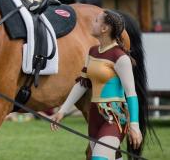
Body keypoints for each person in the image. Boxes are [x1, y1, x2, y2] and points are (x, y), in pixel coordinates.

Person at [50, 10, 143, 160]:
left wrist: (135, 125)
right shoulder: (92, 51)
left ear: (104, 29)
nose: (91, 24)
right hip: (94, 117)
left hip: (114, 118)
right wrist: (63, 110)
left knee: (98, 158)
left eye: (96, 21)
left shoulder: (120, 57)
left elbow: (131, 94)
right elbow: (82, 84)